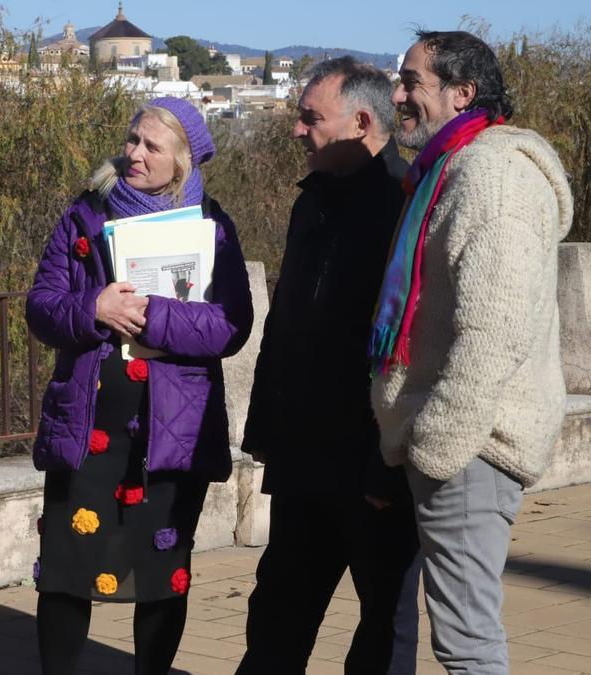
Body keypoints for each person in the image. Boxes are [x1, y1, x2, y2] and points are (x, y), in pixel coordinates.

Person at [26, 97, 253, 675]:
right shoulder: (86, 213)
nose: (133, 154)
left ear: (182, 159)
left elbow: (231, 324)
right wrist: (93, 307)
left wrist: (155, 316)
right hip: (88, 424)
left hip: (170, 433)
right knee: (65, 568)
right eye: (132, 140)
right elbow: (41, 307)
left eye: (152, 146)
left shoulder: (212, 226)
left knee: (161, 573)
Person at [370, 30, 573, 673]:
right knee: (461, 631)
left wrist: (438, 442)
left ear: (463, 93)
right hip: (452, 438)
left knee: (466, 640)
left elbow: (495, 327)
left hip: (471, 443)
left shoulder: (490, 174)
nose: (397, 95)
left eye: (411, 83)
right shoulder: (449, 167)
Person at [236, 58, 422, 674]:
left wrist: (389, 462)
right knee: (276, 619)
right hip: (302, 458)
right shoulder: (310, 203)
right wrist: (266, 429)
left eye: (310, 118)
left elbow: (415, 344)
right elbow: (287, 323)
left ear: (361, 122)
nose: (296, 130)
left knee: (382, 627)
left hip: (374, 466)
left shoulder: (410, 207)